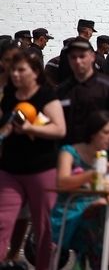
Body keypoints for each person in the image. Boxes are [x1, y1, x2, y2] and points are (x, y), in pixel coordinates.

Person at [0, 51, 66, 270]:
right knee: (2, 221)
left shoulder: (46, 95)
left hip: (41, 169)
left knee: (43, 228)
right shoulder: (9, 95)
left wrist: (31, 129)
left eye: (21, 70)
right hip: (10, 169)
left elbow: (59, 129)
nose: (15, 74)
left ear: (36, 72)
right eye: (13, 70)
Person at [51, 111, 109, 269]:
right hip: (71, 207)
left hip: (99, 206)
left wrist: (105, 200)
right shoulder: (69, 152)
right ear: (93, 133)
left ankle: (108, 266)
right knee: (101, 222)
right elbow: (62, 183)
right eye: (106, 132)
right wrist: (94, 173)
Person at [56, 37, 109, 170]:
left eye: (82, 56)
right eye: (73, 57)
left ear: (92, 57)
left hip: (103, 161)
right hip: (69, 161)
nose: (78, 61)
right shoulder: (61, 91)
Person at [58, 19, 96, 83]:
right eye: (91, 31)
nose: (91, 34)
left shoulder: (67, 46)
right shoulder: (86, 47)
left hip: (66, 83)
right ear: (88, 31)